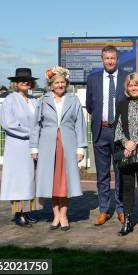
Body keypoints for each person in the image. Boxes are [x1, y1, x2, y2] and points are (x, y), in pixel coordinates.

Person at [30, 66, 87, 232]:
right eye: (57, 82)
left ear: (66, 83)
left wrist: (80, 149)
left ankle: (64, 215)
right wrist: (34, 147)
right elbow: (36, 125)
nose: (60, 85)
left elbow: (80, 125)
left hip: (67, 146)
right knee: (51, 182)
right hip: (47, 146)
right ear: (51, 84)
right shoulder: (43, 100)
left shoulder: (74, 100)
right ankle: (55, 215)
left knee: (64, 182)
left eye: (62, 82)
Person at [86, 45, 129, 225]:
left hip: (119, 132)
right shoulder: (93, 79)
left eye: (112, 58)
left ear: (117, 59)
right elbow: (90, 105)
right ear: (102, 59)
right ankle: (104, 210)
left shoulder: (126, 78)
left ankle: (121, 209)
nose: (110, 61)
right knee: (102, 174)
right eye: (106, 58)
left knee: (120, 173)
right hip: (100, 131)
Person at [114, 73, 138, 237]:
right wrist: (125, 143)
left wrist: (134, 142)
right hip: (126, 152)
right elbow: (118, 128)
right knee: (127, 187)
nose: (133, 88)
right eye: (130, 85)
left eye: (136, 85)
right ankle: (128, 221)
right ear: (127, 88)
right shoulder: (122, 104)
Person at [0, 68, 39, 227]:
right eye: (21, 79)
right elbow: (8, 124)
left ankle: (27, 211)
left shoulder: (34, 100)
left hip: (32, 146)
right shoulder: (10, 100)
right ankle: (18, 213)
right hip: (17, 145)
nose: (25, 82)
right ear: (15, 83)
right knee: (17, 180)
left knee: (30, 179)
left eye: (27, 79)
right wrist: (31, 133)